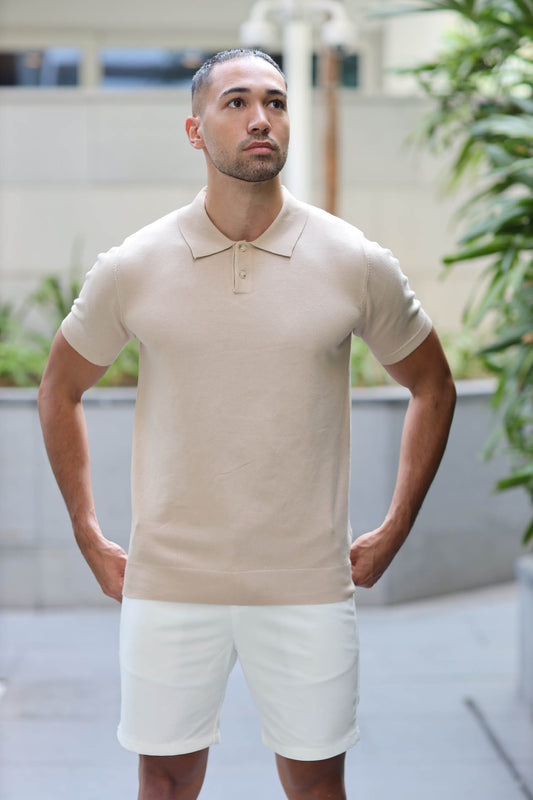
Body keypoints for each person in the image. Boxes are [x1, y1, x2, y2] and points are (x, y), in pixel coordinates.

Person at [38, 48, 456, 800]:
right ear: (195, 130)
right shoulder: (134, 265)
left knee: (316, 785)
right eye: (236, 102)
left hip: (307, 584)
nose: (260, 118)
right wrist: (87, 533)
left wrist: (396, 527)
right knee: (165, 781)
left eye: (275, 102)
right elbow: (58, 388)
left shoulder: (353, 260)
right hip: (170, 584)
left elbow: (433, 386)